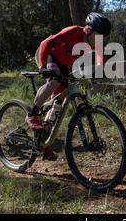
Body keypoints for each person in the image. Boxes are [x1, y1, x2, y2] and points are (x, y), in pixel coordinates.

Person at [26, 12, 111, 159]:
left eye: (102, 37)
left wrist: (98, 73)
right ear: (88, 30)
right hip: (48, 54)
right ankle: (33, 114)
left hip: (64, 63)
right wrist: (42, 67)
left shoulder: (95, 41)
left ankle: (43, 141)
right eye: (98, 36)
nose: (100, 40)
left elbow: (100, 60)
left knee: (59, 102)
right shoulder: (73, 32)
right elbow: (45, 43)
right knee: (55, 80)